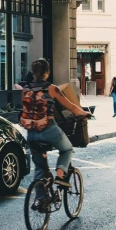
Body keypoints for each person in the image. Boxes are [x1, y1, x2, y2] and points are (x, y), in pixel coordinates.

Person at [20, 58, 90, 189]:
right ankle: (60, 175)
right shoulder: (51, 89)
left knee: (40, 169)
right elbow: (71, 107)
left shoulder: (25, 89)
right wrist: (85, 113)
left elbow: (25, 109)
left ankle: (41, 200)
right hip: (49, 130)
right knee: (67, 149)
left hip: (31, 133)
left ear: (33, 72)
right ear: (47, 72)